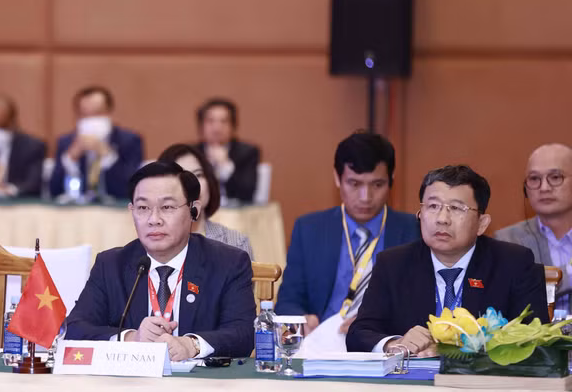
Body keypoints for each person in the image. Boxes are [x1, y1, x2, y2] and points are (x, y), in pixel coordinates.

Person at [347, 165, 549, 354]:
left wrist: (468, 348)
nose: (442, 218)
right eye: (433, 206)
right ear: (420, 214)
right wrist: (394, 343)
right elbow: (359, 333)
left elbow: (535, 340)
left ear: (481, 223)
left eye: (456, 208)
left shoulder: (514, 264)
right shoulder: (392, 264)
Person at [65, 162, 256, 360]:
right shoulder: (111, 265)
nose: (154, 219)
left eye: (167, 207)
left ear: (194, 210)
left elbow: (243, 334)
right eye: (142, 207)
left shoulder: (228, 263)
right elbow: (75, 329)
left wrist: (192, 345)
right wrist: (131, 339)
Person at [275, 131, 420, 336]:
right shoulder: (309, 229)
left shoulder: (414, 230)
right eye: (354, 184)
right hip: (322, 343)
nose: (365, 197)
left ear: (391, 180)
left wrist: (375, 325)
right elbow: (288, 300)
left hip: (383, 344)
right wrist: (300, 319)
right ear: (337, 178)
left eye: (377, 185)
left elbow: (421, 304)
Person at [495, 143, 572, 311]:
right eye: (534, 179)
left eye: (556, 177)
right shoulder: (506, 241)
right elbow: (515, 296)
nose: (544, 188)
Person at [157, 143, 253, 257]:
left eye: (198, 175)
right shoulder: (151, 245)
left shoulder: (236, 244)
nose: (193, 184)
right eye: (182, 178)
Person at [49, 86, 143, 200]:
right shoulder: (66, 142)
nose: (91, 120)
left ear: (109, 113)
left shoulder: (130, 141)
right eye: (85, 115)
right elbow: (53, 191)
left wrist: (108, 156)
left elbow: (131, 189)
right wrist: (70, 159)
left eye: (97, 113)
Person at [195, 98, 260, 203]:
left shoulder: (247, 152)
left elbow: (247, 194)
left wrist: (225, 165)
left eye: (224, 121)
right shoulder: (191, 152)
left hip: (236, 216)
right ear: (201, 126)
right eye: (210, 121)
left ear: (233, 127)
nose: (217, 128)